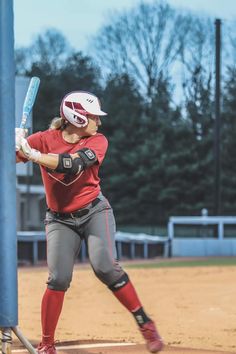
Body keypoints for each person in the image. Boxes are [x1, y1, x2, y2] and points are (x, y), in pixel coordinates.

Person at [15, 91, 163, 354]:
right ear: (77, 118)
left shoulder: (98, 141)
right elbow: (11, 157)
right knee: (58, 278)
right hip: (59, 219)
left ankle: (146, 323)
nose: (99, 122)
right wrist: (13, 143)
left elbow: (72, 165)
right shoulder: (43, 139)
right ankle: (47, 343)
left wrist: (34, 155)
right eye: (94, 116)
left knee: (105, 267)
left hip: (94, 212)